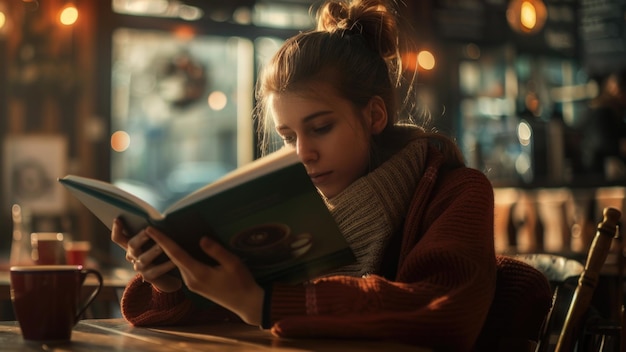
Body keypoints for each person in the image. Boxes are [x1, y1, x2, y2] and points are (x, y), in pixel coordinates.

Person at [111, 0, 533, 350]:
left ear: (374, 115)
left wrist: (267, 304)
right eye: (288, 135)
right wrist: (171, 281)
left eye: (320, 127)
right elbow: (205, 311)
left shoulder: (456, 191)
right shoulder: (296, 208)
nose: (304, 153)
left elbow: (444, 310)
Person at [580, 69, 626, 179]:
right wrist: (620, 146)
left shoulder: (612, 111)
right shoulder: (603, 112)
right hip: (601, 171)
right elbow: (602, 142)